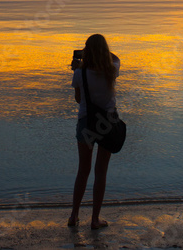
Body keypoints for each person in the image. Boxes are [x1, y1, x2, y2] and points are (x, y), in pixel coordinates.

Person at [67, 33, 120, 230]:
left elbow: (79, 100)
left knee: (83, 170)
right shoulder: (111, 70)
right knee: (101, 171)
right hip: (107, 124)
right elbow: (115, 58)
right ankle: (95, 219)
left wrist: (80, 65)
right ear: (105, 50)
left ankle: (74, 215)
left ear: (87, 51)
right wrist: (101, 52)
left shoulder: (80, 73)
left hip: (86, 123)